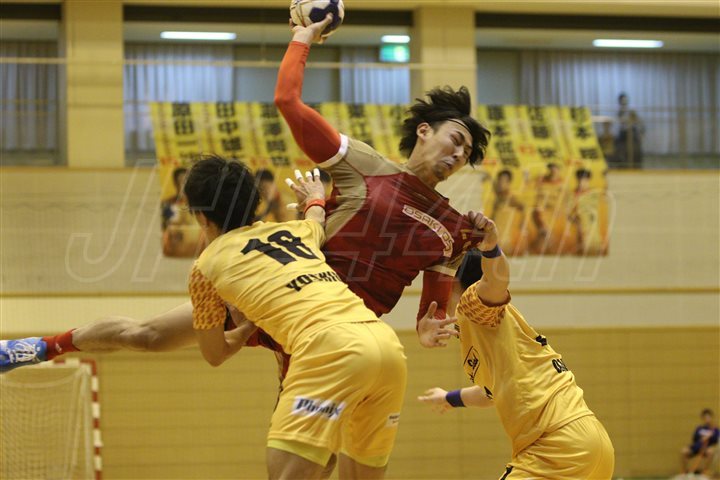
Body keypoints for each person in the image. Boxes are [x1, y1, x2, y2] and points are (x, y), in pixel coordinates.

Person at [1, 15, 489, 374]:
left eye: (466, 152)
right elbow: (287, 101)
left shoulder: (454, 228)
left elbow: (431, 314)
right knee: (146, 335)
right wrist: (303, 37)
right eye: (455, 139)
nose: (458, 153)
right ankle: (44, 346)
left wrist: (430, 329)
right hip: (280, 295)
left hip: (334, 333)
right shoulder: (363, 165)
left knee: (308, 454)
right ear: (423, 131)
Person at [186, 156, 407, 479]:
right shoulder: (296, 231)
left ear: (200, 216)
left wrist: (247, 327)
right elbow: (316, 217)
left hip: (329, 349)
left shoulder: (205, 267)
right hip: (388, 349)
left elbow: (214, 353)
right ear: (254, 203)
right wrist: (315, 196)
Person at [418, 211, 615, 479]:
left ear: (453, 282)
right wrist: (448, 399)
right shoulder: (489, 333)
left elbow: (496, 282)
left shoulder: (472, 305)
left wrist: (491, 248)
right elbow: (489, 393)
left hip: (555, 445)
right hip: (592, 443)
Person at [680, 408, 719, 476]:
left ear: (711, 418)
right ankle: (684, 472)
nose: (707, 419)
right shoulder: (699, 428)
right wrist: (703, 438)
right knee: (684, 451)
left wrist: (711, 436)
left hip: (706, 449)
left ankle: (705, 471)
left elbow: (716, 440)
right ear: (703, 418)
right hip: (696, 447)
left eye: (708, 417)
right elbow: (695, 438)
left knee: (711, 452)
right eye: (705, 418)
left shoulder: (715, 430)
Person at [614, 93, 644, 168]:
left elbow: (637, 121)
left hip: (632, 132)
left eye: (625, 100)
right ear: (619, 102)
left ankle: (636, 164)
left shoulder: (631, 111)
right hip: (623, 133)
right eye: (622, 101)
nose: (624, 102)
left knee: (635, 146)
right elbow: (621, 123)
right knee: (619, 146)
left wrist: (639, 129)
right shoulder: (619, 112)